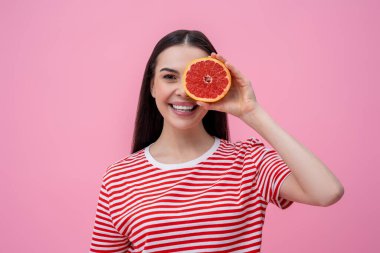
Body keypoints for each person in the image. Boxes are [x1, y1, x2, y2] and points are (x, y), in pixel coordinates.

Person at [89, 29, 344, 253]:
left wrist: (251, 112)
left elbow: (327, 192)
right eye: (169, 77)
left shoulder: (249, 162)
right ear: (152, 87)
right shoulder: (120, 177)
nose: (184, 90)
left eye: (196, 79)